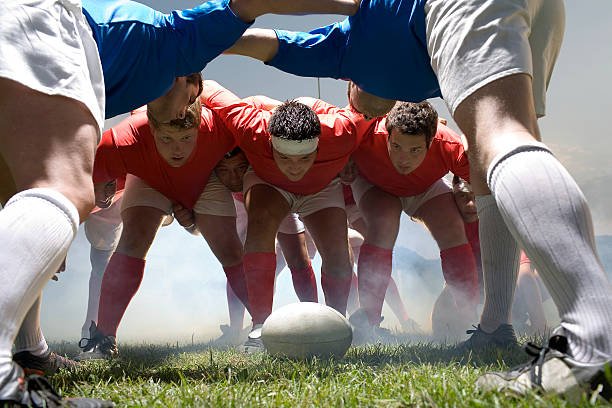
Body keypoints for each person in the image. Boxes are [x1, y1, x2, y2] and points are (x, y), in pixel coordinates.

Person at [228, 1, 612, 397]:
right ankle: (496, 327)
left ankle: (593, 338)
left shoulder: (365, 40)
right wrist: (202, 43)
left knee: (500, 137)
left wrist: (195, 37)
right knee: (502, 141)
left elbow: (281, 36)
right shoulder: (348, 62)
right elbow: (272, 44)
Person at [201, 80, 364, 352]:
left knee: (337, 251)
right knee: (260, 223)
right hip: (268, 182)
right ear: (269, 142)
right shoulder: (250, 123)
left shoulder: (340, 132)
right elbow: (204, 85)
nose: (294, 168)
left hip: (321, 185)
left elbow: (374, 113)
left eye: (303, 158)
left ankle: (336, 323)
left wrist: (352, 156)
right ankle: (259, 328)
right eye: (285, 157)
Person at [76, 100, 247, 360]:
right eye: (166, 138)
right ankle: (104, 339)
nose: (177, 149)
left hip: (204, 179)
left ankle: (264, 329)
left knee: (230, 249)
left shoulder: (221, 127)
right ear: (152, 130)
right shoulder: (126, 136)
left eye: (186, 138)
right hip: (148, 174)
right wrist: (56, 245)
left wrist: (191, 221)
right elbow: (66, 182)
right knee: (134, 238)